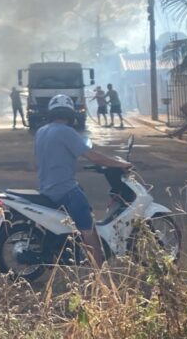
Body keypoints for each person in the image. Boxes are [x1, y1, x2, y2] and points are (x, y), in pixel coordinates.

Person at [35, 94, 131, 267]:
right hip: (65, 190)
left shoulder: (41, 131)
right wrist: (120, 164)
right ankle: (99, 273)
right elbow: (93, 157)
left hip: (46, 188)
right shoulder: (66, 132)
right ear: (70, 114)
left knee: (80, 196)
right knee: (89, 229)